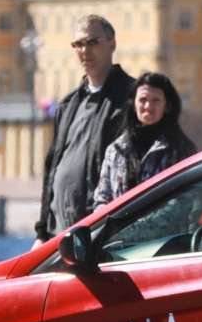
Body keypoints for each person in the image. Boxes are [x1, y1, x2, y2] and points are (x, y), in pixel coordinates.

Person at [34, 15, 135, 245]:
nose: (84, 50)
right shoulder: (68, 104)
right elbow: (52, 169)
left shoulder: (132, 97)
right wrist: (41, 232)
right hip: (57, 235)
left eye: (92, 42)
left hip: (101, 233)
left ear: (112, 45)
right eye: (78, 44)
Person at [93, 72, 198, 208]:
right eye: (143, 100)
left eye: (156, 100)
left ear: (167, 106)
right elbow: (102, 199)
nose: (148, 106)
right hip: (118, 229)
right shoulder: (116, 150)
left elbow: (185, 201)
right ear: (133, 104)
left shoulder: (180, 150)